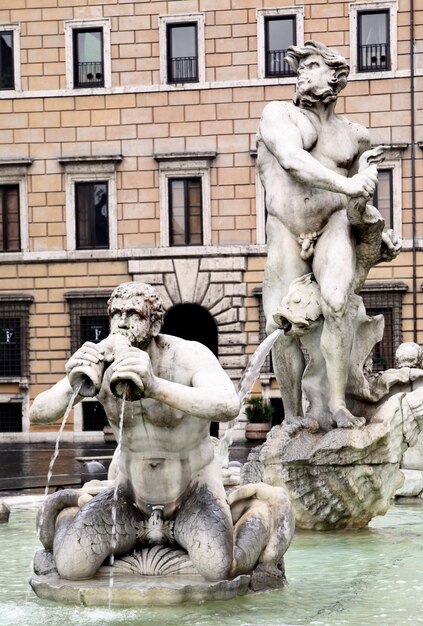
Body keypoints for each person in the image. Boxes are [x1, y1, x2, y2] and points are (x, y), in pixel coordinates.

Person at [30, 282, 294, 585]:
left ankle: (256, 513)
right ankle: (69, 512)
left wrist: (154, 386)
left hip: (192, 492)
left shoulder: (187, 356)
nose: (123, 322)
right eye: (116, 314)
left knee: (220, 568)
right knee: (71, 568)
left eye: (134, 314)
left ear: (155, 323)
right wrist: (72, 380)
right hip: (130, 495)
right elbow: (39, 413)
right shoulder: (102, 361)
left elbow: (227, 404)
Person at [256, 40, 385, 429]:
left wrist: (373, 226)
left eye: (311, 65)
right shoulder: (279, 115)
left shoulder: (355, 136)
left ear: (336, 76)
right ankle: (293, 415)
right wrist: (349, 187)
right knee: (279, 324)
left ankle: (336, 404)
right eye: (300, 67)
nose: (302, 73)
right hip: (285, 227)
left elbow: (364, 187)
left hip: (333, 224)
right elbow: (294, 163)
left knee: (336, 302)